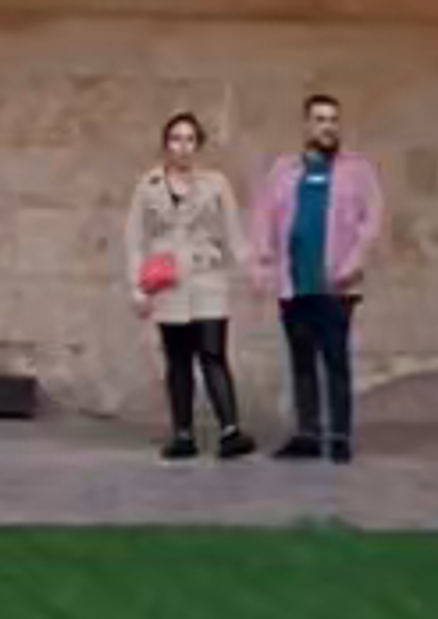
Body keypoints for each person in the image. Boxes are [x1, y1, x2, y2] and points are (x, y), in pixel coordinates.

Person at [124, 109, 256, 461]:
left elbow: (234, 231)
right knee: (178, 357)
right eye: (176, 139)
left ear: (198, 145)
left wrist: (252, 266)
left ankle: (230, 430)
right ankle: (183, 433)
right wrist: (136, 285)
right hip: (168, 280)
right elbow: (134, 238)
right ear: (166, 144)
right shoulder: (149, 185)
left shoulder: (216, 183)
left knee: (212, 352)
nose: (182, 146)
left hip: (207, 276)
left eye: (189, 140)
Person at [270, 87, 384, 463]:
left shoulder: (358, 170)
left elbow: (372, 221)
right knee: (301, 360)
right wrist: (264, 265)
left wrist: (353, 263)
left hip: (337, 284)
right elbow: (265, 218)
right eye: (320, 120)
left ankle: (339, 435)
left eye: (333, 120)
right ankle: (307, 433)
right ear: (307, 125)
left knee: (335, 360)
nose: (328, 127)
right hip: (295, 282)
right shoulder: (284, 170)